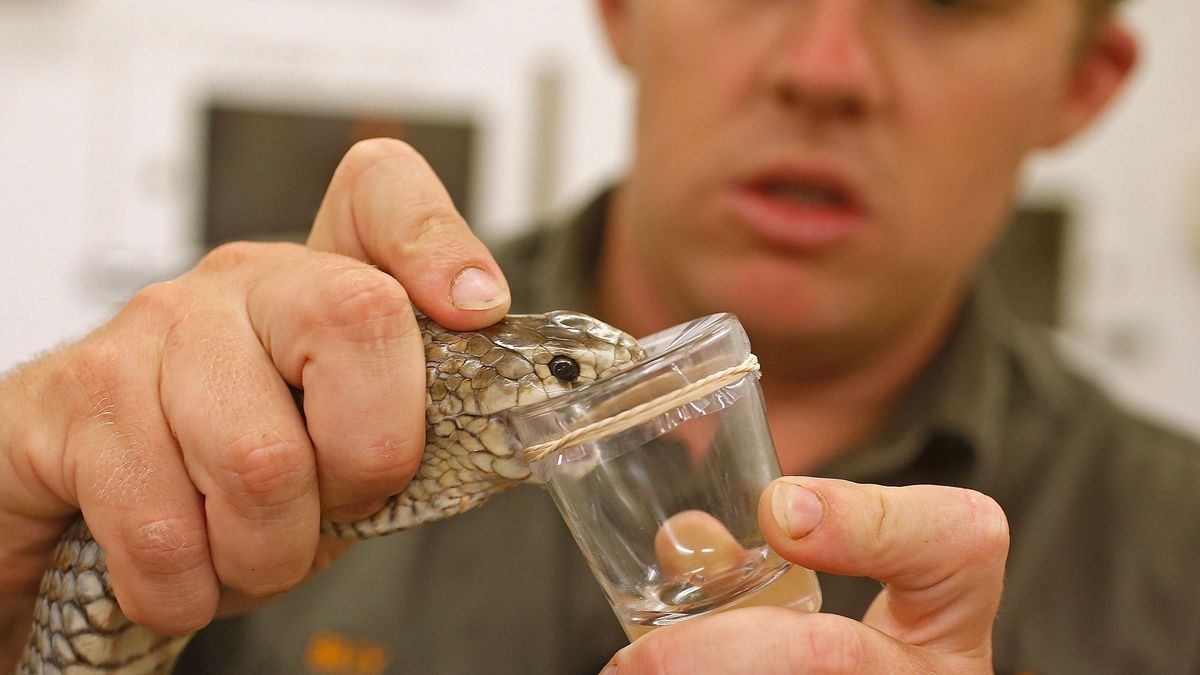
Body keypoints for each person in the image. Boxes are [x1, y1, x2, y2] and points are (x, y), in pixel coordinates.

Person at [3, 0, 1197, 672]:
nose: (825, 69)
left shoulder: (1174, 553)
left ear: (1083, 85)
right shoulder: (263, 404)